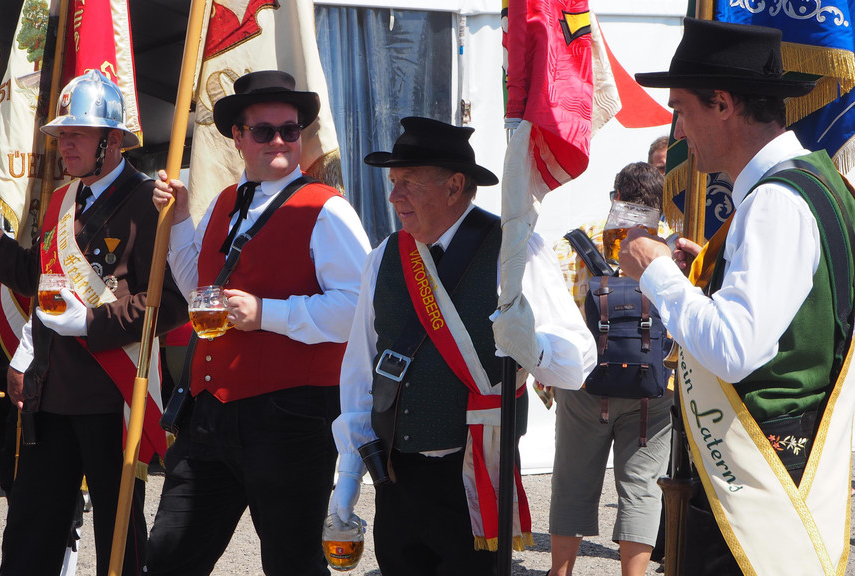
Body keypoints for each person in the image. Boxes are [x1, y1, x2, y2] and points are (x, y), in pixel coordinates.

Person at [624, 19, 855, 575]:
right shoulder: (818, 181)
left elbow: (733, 348)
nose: (679, 132)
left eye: (683, 110)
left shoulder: (776, 202)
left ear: (724, 104)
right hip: (785, 461)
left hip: (756, 477)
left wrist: (657, 274)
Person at [329, 116, 596, 576]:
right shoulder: (383, 257)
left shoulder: (515, 251)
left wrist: (533, 347)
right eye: (393, 183)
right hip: (397, 478)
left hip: (477, 478)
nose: (394, 197)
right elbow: (362, 372)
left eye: (408, 183)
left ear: (454, 186)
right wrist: (349, 478)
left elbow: (578, 363)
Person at [0, 69, 188, 576]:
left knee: (119, 541)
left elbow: (170, 303)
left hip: (112, 392)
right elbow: (32, 276)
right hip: (51, 392)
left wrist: (93, 322)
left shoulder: (149, 202)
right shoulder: (62, 199)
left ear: (112, 141)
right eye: (61, 135)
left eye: (77, 133)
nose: (65, 144)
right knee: (31, 533)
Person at [147, 70, 371, 576]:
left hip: (290, 417)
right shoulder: (224, 202)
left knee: (292, 563)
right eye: (264, 130)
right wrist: (180, 220)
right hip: (209, 412)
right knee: (167, 557)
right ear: (238, 136)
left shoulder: (327, 209)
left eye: (290, 130)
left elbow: (358, 310)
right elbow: (199, 287)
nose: (279, 141)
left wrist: (266, 313)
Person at [548, 162, 673, 576]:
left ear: (616, 196)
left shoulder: (573, 244)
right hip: (652, 389)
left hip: (585, 385)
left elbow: (549, 317)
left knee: (572, 480)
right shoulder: (674, 246)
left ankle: (561, 572)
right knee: (642, 487)